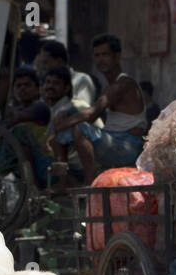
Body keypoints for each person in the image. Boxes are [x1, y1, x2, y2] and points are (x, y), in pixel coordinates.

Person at [50, 34, 146, 176]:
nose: (100, 60)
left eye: (105, 55)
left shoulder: (123, 84)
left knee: (79, 129)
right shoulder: (109, 85)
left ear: (117, 56)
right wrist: (64, 119)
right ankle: (63, 180)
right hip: (113, 141)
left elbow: (91, 114)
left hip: (128, 145)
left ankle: (91, 183)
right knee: (62, 129)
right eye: (97, 55)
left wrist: (57, 128)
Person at [35, 40, 95, 108]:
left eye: (45, 62)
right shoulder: (45, 84)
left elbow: (81, 109)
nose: (43, 67)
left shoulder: (82, 80)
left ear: (59, 62)